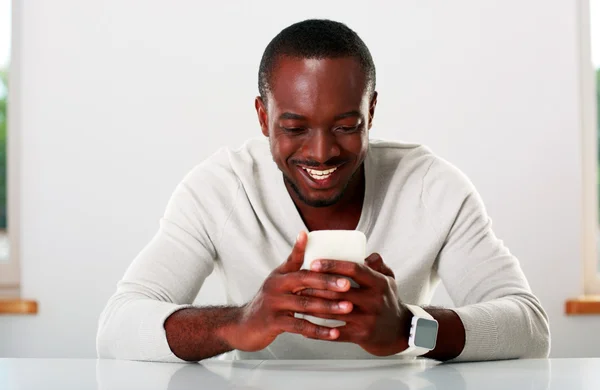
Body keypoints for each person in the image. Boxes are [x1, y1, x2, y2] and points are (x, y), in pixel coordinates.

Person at [96, 19, 550, 363]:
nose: (321, 153)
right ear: (262, 117)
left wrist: (412, 329)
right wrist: (238, 324)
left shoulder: (432, 187)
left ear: (371, 112)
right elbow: (116, 327)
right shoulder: (220, 188)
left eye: (346, 126)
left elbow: (531, 329)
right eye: (294, 127)